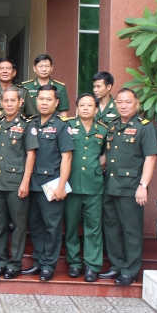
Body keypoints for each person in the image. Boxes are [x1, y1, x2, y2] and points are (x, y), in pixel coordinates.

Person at [98, 88, 157, 285]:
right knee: (112, 229)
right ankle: (116, 266)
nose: (123, 106)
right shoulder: (113, 126)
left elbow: (151, 158)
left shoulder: (145, 127)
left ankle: (130, 270)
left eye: (128, 102)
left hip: (131, 187)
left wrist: (143, 186)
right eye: (120, 102)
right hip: (111, 185)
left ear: (137, 104)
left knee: (131, 231)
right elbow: (107, 157)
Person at [21, 84, 74, 281]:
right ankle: (39, 259)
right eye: (41, 99)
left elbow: (67, 158)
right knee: (34, 225)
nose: (44, 102)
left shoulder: (62, 126)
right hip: (32, 183)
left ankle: (48, 265)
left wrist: (62, 186)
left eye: (48, 99)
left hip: (51, 184)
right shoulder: (31, 123)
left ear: (56, 102)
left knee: (52, 226)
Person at [0, 87, 38, 280]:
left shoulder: (27, 125)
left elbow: (31, 154)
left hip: (17, 183)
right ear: (1, 103)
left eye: (12, 101)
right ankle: (1, 262)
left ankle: (15, 264)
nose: (9, 104)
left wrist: (26, 181)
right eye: (6, 101)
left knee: (18, 225)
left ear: (20, 103)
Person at [64, 94, 108, 282]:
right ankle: (74, 263)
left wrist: (98, 166)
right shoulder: (68, 126)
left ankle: (92, 266)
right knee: (71, 226)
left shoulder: (103, 130)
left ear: (96, 109)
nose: (86, 108)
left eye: (90, 105)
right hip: (71, 185)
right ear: (76, 107)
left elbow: (106, 153)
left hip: (94, 185)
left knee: (93, 228)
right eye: (82, 105)